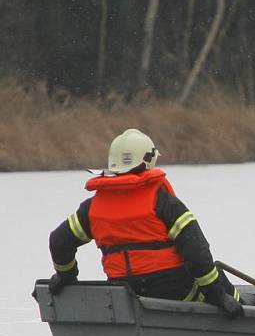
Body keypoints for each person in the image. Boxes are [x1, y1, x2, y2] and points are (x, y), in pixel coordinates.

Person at [48, 128, 244, 319]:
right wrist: (217, 295)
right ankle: (245, 327)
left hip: (123, 295)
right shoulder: (163, 203)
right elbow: (197, 253)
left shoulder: (92, 209)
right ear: (148, 160)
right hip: (174, 293)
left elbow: (59, 241)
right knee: (216, 278)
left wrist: (65, 276)